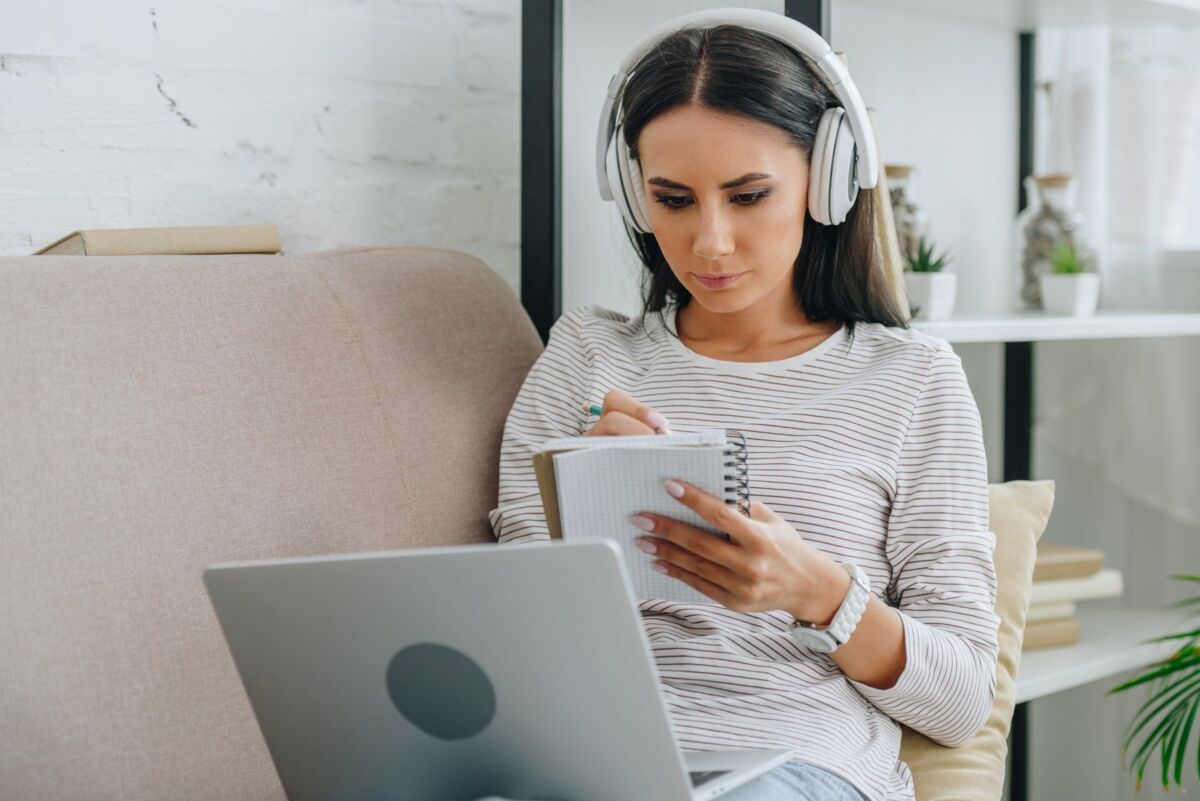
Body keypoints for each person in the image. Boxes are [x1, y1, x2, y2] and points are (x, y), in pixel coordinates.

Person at [487, 13, 999, 801]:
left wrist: (819, 593)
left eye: (749, 194)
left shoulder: (914, 380)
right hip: (591, 757)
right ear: (634, 196)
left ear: (826, 181)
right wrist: (583, 513)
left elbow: (962, 700)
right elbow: (510, 642)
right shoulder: (587, 360)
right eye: (674, 199)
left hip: (794, 765)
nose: (710, 243)